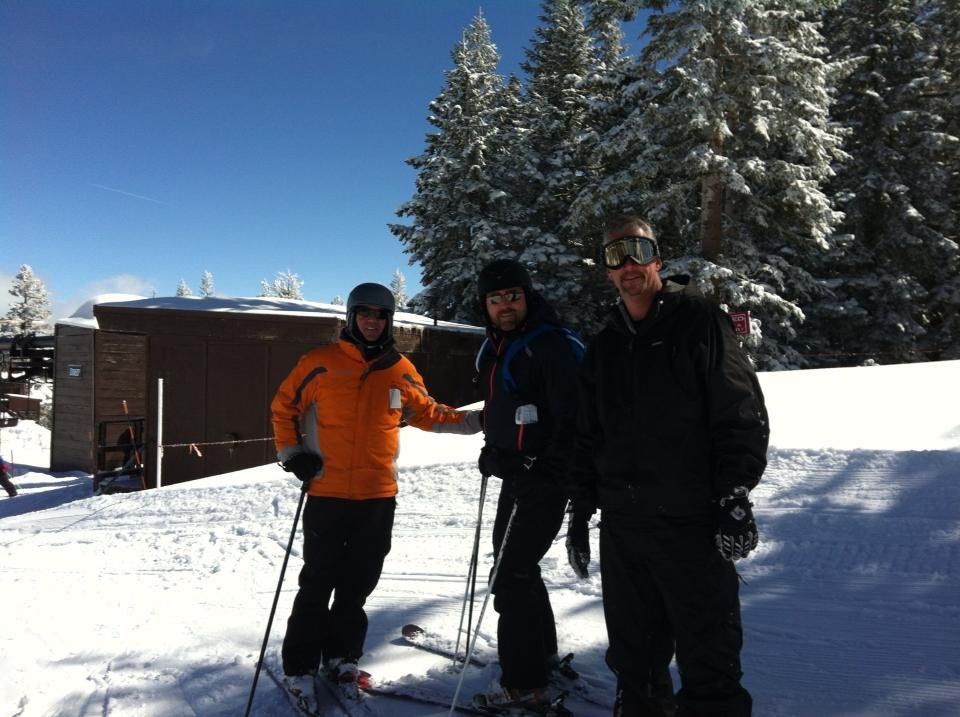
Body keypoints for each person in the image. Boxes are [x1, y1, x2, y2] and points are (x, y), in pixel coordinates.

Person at [567, 215, 769, 717]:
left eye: (637, 250)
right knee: (634, 661)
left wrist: (733, 495)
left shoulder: (700, 322)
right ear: (608, 272)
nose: (628, 264)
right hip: (623, 529)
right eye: (616, 256)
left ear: (657, 258)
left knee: (709, 660)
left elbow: (739, 412)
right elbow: (588, 437)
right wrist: (580, 509)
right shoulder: (604, 345)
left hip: (691, 523)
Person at [270, 282, 482, 709]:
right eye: (364, 313)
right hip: (327, 492)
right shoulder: (320, 363)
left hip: (377, 495)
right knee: (317, 583)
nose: (371, 321)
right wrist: (293, 454)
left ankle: (342, 658)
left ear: (389, 321)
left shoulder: (399, 370)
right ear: (351, 318)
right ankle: (299, 667)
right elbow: (284, 407)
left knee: (357, 586)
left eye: (380, 314)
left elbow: (428, 411)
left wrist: (478, 420)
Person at [471, 259, 582, 713]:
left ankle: (524, 684)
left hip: (543, 481)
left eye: (512, 296)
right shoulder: (498, 346)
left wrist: (547, 470)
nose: (504, 306)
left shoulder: (550, 345)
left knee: (511, 577)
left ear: (528, 296)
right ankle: (542, 654)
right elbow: (507, 408)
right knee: (514, 566)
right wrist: (494, 448)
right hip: (516, 476)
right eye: (495, 299)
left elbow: (575, 420)